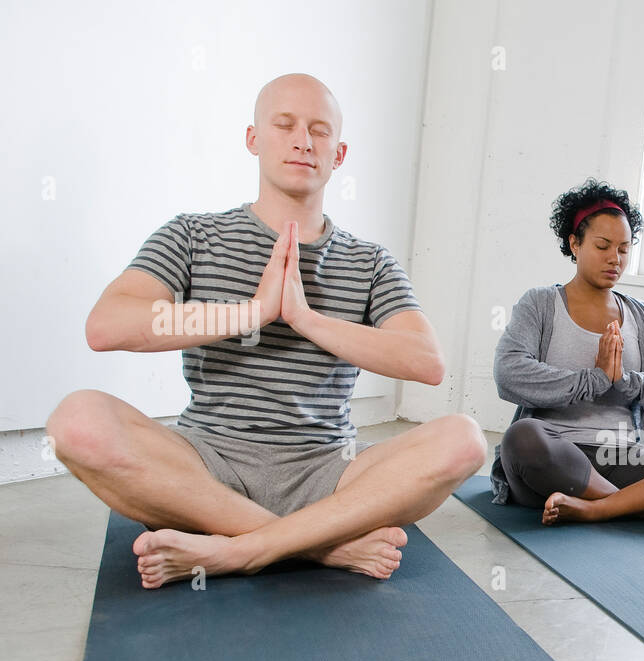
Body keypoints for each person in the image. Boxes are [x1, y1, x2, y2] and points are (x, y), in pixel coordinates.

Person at [45, 73, 486, 589]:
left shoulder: (370, 261)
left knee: (464, 439)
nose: (303, 140)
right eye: (285, 125)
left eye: (319, 131)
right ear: (253, 140)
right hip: (205, 466)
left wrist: (306, 319)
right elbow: (106, 325)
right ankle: (319, 547)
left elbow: (425, 362)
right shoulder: (192, 234)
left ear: (339, 154)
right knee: (75, 421)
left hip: (329, 473)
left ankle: (242, 550)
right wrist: (251, 312)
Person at [490, 178, 644, 526]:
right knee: (522, 438)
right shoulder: (540, 304)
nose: (615, 258)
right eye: (603, 245)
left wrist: (627, 381)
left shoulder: (642, 316)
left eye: (624, 249)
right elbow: (509, 374)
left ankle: (599, 507)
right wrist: (593, 380)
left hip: (626, 459)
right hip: (555, 459)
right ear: (575, 244)